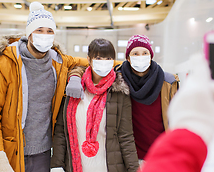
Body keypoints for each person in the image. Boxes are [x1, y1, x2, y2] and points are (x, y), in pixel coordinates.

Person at [0, 1, 89, 172]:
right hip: (9, 152)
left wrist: (75, 75)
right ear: (29, 33)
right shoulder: (2, 62)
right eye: (39, 30)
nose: (44, 35)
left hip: (42, 154)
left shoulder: (59, 62)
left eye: (49, 31)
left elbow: (94, 63)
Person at [50, 38, 139, 172]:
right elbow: (61, 132)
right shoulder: (73, 88)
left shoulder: (119, 91)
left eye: (108, 58)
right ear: (89, 59)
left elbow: (126, 136)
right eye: (98, 57)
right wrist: (57, 168)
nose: (103, 63)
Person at [66, 34, 179, 162]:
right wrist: (75, 76)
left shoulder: (168, 83)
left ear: (151, 56)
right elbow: (88, 70)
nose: (140, 57)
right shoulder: (117, 78)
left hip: (161, 155)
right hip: (128, 158)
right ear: (128, 58)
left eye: (144, 53)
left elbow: (179, 120)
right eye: (135, 53)